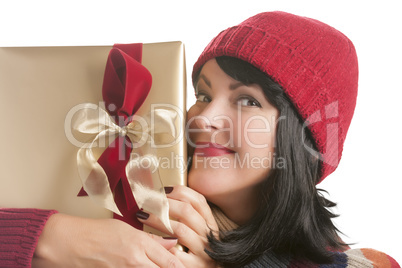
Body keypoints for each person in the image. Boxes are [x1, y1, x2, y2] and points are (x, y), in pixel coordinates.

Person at [0, 11, 400, 268]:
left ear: (303, 143)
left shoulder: (367, 265)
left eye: (247, 100)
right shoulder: (124, 224)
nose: (204, 119)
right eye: (204, 95)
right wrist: (53, 237)